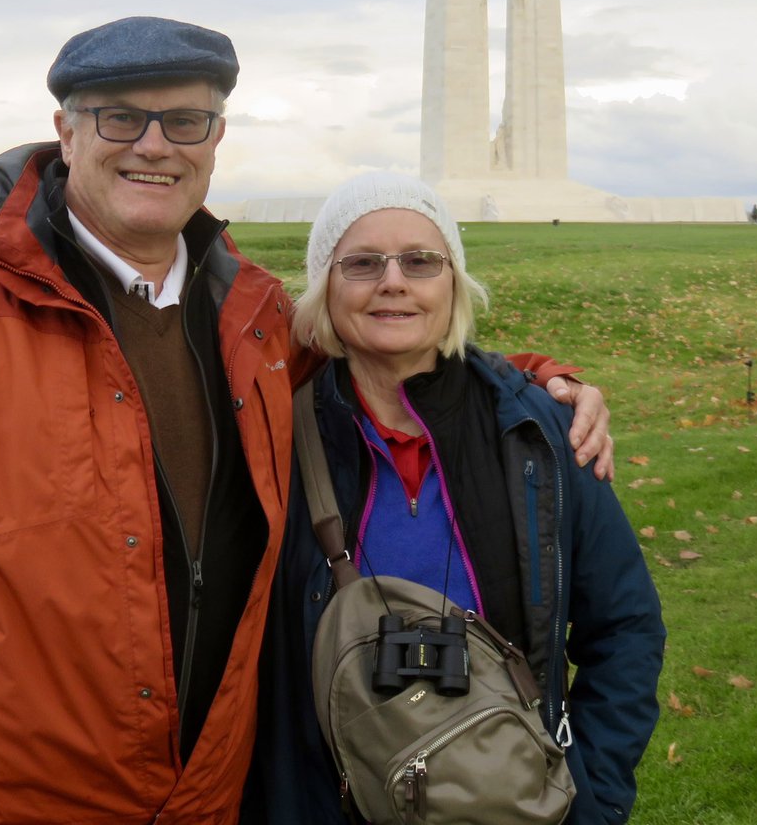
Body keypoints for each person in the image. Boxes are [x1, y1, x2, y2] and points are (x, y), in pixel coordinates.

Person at [0, 16, 613, 825]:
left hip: (211, 797)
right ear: (65, 133)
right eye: (121, 117)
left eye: (185, 120)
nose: (154, 145)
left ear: (215, 139)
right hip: (7, 801)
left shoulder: (251, 315)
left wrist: (537, 384)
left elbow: (392, 341)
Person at [244, 171, 665, 825]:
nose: (394, 281)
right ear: (325, 288)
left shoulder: (539, 433)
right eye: (361, 263)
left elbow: (625, 629)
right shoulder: (268, 436)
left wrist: (588, 796)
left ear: (453, 284)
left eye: (421, 261)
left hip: (507, 799)